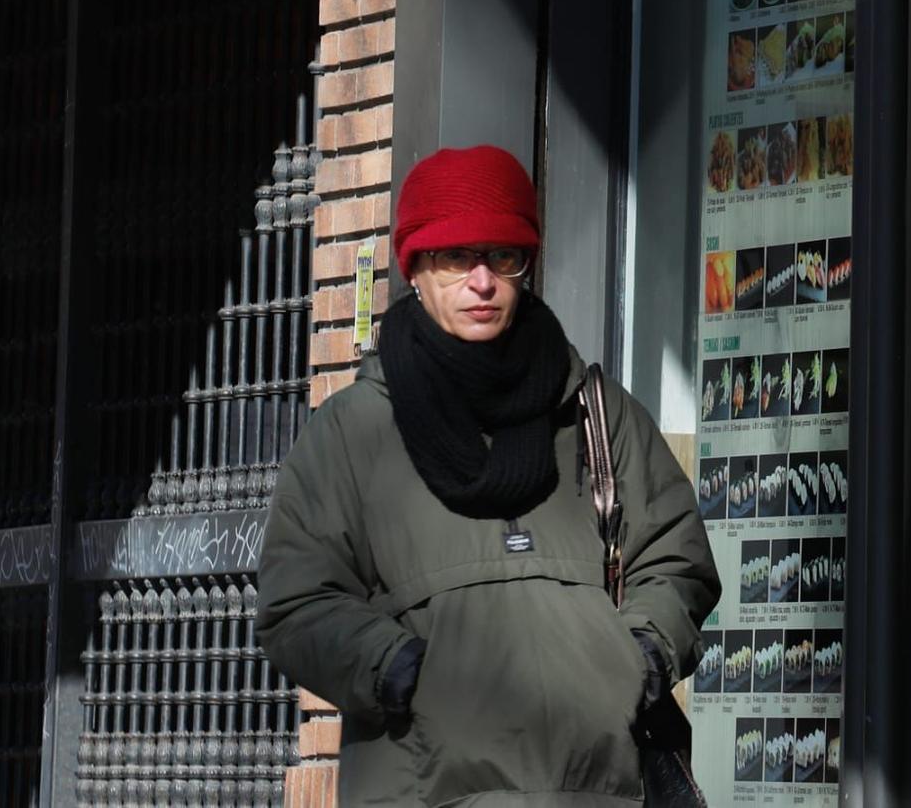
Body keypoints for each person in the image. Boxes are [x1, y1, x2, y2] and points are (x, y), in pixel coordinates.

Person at [256, 144, 721, 806]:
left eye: (504, 256)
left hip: (596, 790)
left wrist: (634, 658)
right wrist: (399, 670)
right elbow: (296, 601)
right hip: (425, 791)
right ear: (414, 267)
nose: (482, 281)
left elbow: (676, 558)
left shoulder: (591, 409)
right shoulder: (353, 431)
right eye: (456, 258)